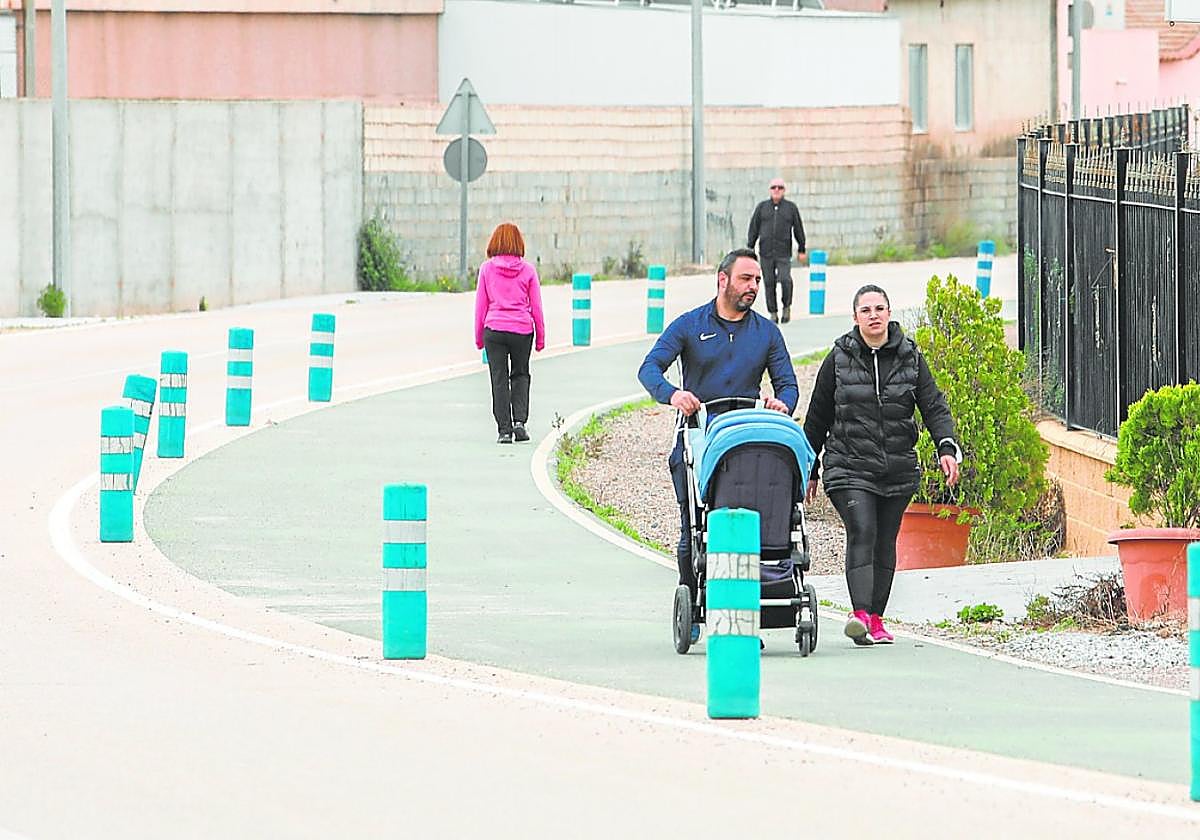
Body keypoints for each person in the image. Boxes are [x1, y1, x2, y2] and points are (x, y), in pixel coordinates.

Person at [638, 248, 799, 608]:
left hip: (746, 438)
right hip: (698, 436)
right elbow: (649, 368)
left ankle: (752, 594)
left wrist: (782, 403)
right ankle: (691, 595)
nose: (753, 286)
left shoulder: (767, 333)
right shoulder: (690, 325)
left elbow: (788, 385)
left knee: (755, 520)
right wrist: (674, 394)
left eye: (757, 280)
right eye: (746, 278)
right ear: (722, 280)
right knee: (694, 525)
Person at [802, 284, 961, 646]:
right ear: (855, 317)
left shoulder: (910, 357)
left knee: (885, 539)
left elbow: (934, 407)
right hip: (848, 465)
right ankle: (859, 615)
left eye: (879, 308)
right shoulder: (838, 359)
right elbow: (817, 417)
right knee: (863, 529)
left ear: (889, 313)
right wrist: (809, 468)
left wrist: (946, 447)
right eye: (866, 310)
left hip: (897, 468)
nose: (873, 315)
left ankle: (876, 619)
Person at [474, 222, 546, 444]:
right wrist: (541, 337)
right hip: (522, 330)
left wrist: (478, 337)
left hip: (494, 329)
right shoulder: (528, 271)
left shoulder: (487, 269)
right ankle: (519, 422)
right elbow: (536, 307)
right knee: (521, 374)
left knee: (499, 378)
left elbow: (480, 306)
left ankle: (504, 430)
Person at [746, 178, 806, 325]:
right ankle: (773, 313)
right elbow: (754, 227)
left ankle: (786, 307)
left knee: (785, 279)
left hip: (783, 252)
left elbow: (798, 228)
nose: (777, 190)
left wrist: (801, 248)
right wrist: (750, 247)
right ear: (770, 190)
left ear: (784, 190)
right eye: (774, 187)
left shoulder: (790, 208)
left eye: (780, 187)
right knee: (769, 282)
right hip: (766, 252)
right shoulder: (762, 207)